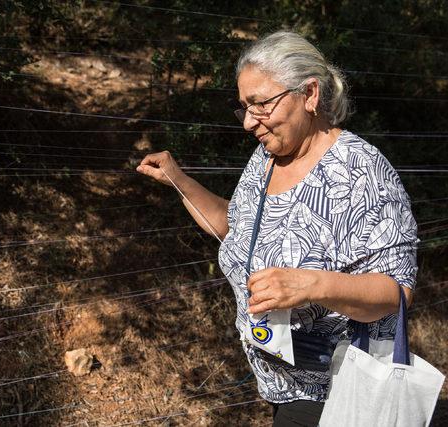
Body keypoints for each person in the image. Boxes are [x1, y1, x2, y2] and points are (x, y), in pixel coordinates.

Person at [136, 30, 418, 427]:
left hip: (337, 394)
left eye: (260, 105)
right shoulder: (265, 160)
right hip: (280, 384)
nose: (250, 122)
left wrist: (310, 285)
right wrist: (178, 179)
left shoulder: (363, 174)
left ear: (310, 94)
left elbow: (395, 292)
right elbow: (235, 228)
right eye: (244, 108)